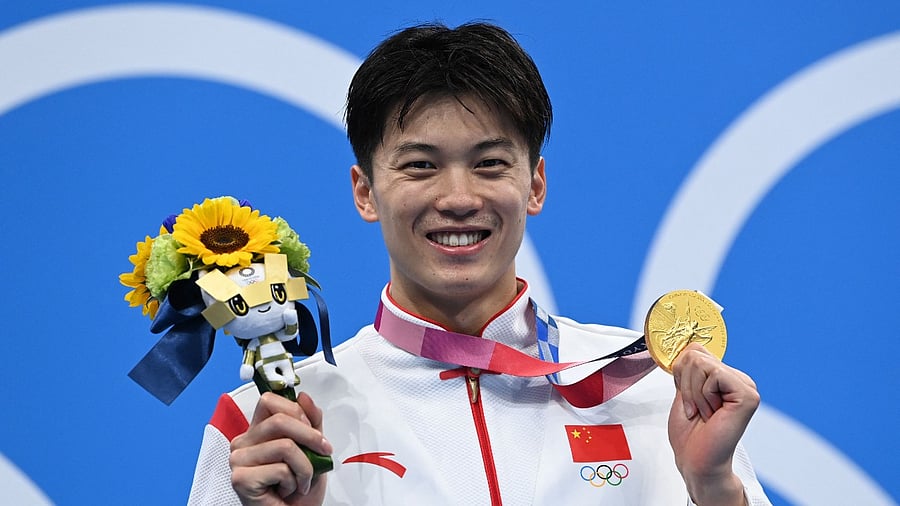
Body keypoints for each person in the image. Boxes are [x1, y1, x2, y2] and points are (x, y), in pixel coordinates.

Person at [188, 22, 770, 505]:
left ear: (535, 184)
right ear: (365, 192)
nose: (459, 197)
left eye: (490, 163)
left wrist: (714, 488)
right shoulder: (269, 427)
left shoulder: (656, 393)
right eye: (419, 166)